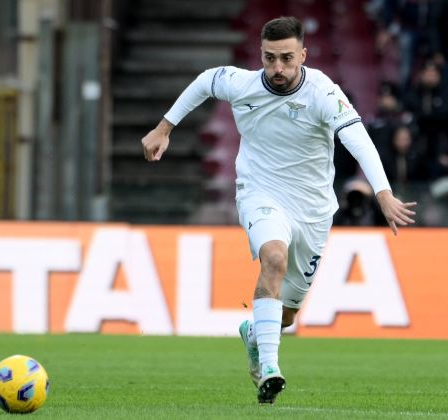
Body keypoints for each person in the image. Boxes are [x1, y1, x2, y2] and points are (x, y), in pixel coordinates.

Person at [141, 16, 417, 404]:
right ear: (261, 55)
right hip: (260, 192)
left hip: (313, 210)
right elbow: (205, 81)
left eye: (287, 59)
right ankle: (269, 368)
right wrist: (164, 127)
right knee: (273, 257)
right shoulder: (243, 84)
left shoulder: (323, 91)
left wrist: (383, 193)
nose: (278, 69)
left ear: (303, 54)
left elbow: (357, 138)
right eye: (270, 59)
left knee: (286, 316)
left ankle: (255, 334)